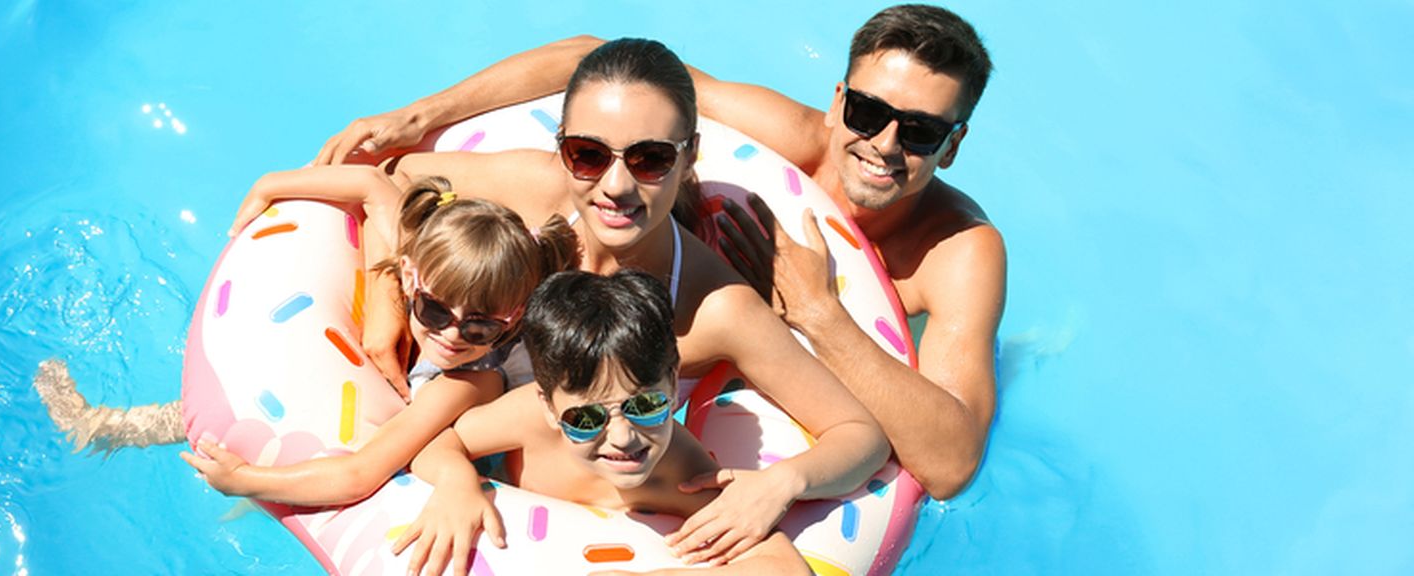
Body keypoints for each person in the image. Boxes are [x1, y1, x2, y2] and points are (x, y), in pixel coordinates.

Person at [233, 38, 888, 568]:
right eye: (587, 154)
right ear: (563, 150)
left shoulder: (714, 307)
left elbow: (859, 436)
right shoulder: (535, 191)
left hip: (569, 473)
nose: (615, 185)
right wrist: (383, 319)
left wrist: (781, 483)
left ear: (690, 157)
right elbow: (393, 190)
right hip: (441, 416)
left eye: (652, 159)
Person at [312, 4, 1004, 502]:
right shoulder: (774, 140)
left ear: (955, 142)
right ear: (838, 101)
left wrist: (820, 313)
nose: (883, 144)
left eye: (918, 130)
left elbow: (946, 465)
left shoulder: (956, 251)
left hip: (787, 344)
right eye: (866, 114)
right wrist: (424, 116)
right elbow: (598, 61)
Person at [39, 171, 578, 507]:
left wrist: (246, 481)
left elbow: (361, 473)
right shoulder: (424, 259)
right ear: (411, 278)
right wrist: (271, 185)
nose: (452, 334)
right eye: (433, 310)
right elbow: (374, 188)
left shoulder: (471, 380)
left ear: (514, 319)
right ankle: (104, 426)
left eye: (480, 325)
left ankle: (104, 428)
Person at [404, 269, 813, 576]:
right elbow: (436, 444)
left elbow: (784, 566)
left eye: (647, 405)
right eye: (585, 418)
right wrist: (457, 483)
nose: (622, 437)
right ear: (549, 406)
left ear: (672, 386)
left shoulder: (681, 473)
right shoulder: (530, 417)